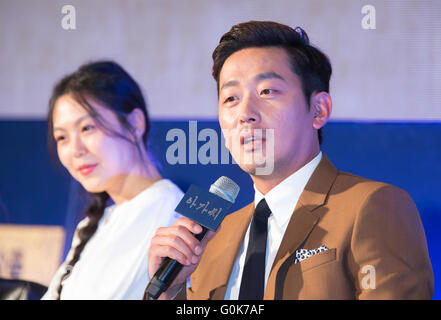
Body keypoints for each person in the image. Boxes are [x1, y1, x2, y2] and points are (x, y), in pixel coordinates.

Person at [147, 21, 434, 300]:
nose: (245, 113)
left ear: (319, 110)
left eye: (267, 91)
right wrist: (170, 293)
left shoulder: (372, 206)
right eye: (231, 98)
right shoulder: (211, 239)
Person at [42, 61, 184, 299]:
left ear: (135, 123)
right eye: (62, 137)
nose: (75, 149)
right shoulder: (94, 224)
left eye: (87, 128)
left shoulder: (171, 216)